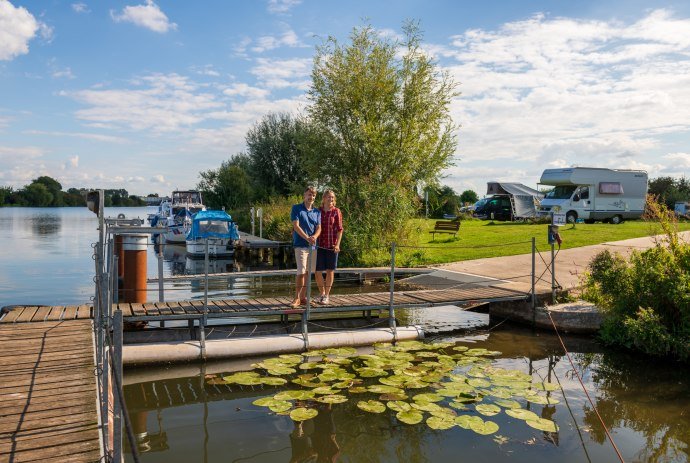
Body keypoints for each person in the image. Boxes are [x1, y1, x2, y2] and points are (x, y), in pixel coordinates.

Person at [290, 186, 321, 308]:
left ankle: (303, 297)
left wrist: (314, 237)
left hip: (313, 246)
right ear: (304, 195)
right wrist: (307, 237)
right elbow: (296, 226)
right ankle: (296, 298)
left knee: (308, 272)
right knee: (301, 271)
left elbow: (319, 228)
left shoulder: (317, 212)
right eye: (309, 194)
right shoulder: (296, 208)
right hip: (300, 245)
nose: (311, 197)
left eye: (313, 195)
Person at [315, 190, 343, 305]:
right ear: (323, 198)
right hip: (319, 245)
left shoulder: (336, 211)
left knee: (330, 271)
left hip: (332, 246)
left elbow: (340, 229)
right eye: (328, 197)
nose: (330, 199)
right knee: (317, 271)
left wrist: (337, 245)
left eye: (332, 197)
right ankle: (321, 293)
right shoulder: (318, 211)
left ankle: (326, 295)